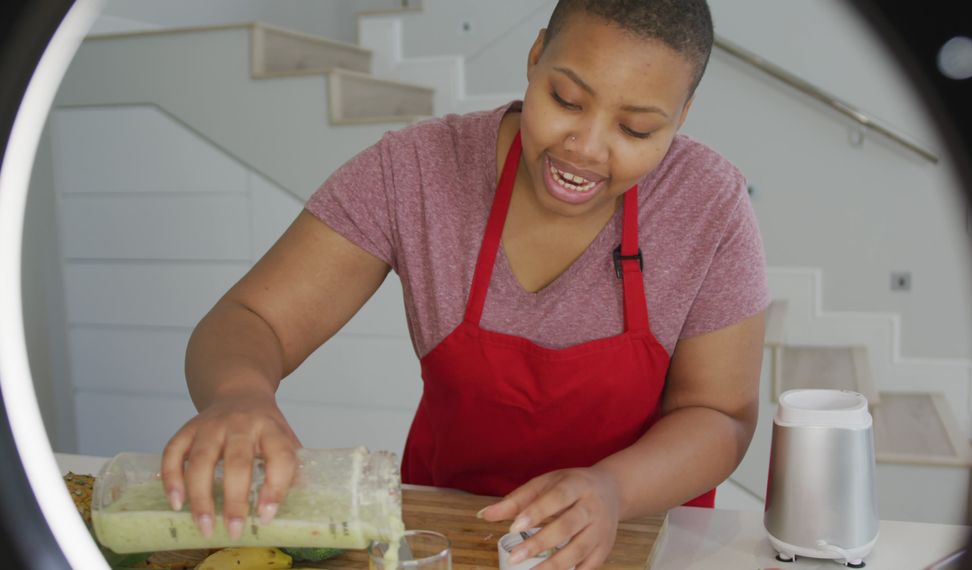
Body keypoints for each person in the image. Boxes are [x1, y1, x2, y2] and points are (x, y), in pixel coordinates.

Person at [161, 0, 769, 567]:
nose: (585, 148)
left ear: (681, 115)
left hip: (641, 532)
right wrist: (238, 395)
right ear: (535, 59)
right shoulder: (418, 170)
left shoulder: (707, 203)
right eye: (565, 98)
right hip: (449, 530)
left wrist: (615, 489)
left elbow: (720, 414)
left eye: (635, 130)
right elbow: (252, 318)